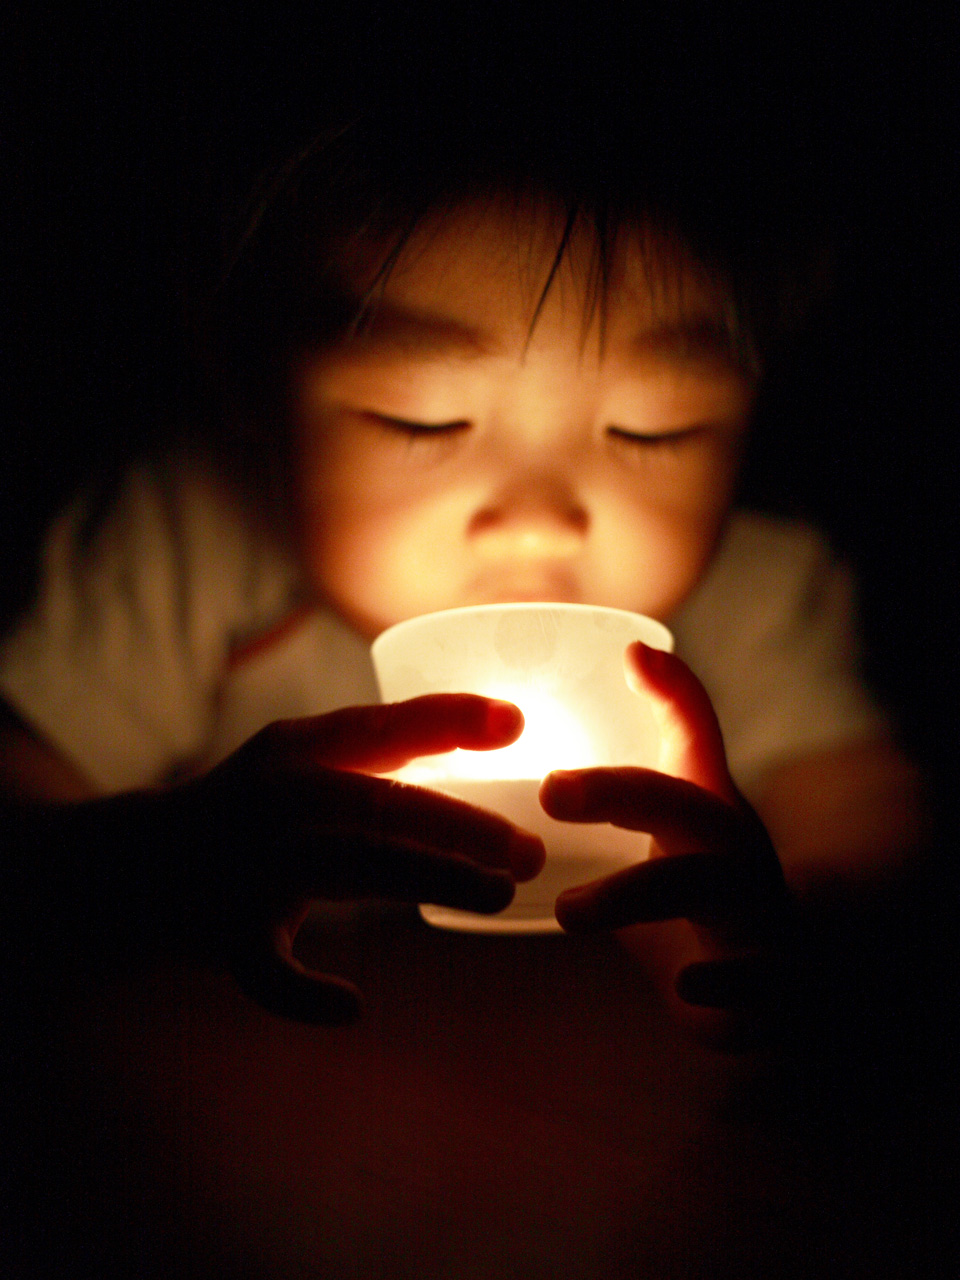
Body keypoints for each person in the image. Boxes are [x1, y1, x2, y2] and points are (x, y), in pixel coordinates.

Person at [0, 89, 923, 1049]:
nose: (538, 525)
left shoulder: (753, 590)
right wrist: (160, 863)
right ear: (253, 389)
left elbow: (860, 812)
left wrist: (787, 927)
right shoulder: (191, 544)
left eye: (654, 431)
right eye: (425, 420)